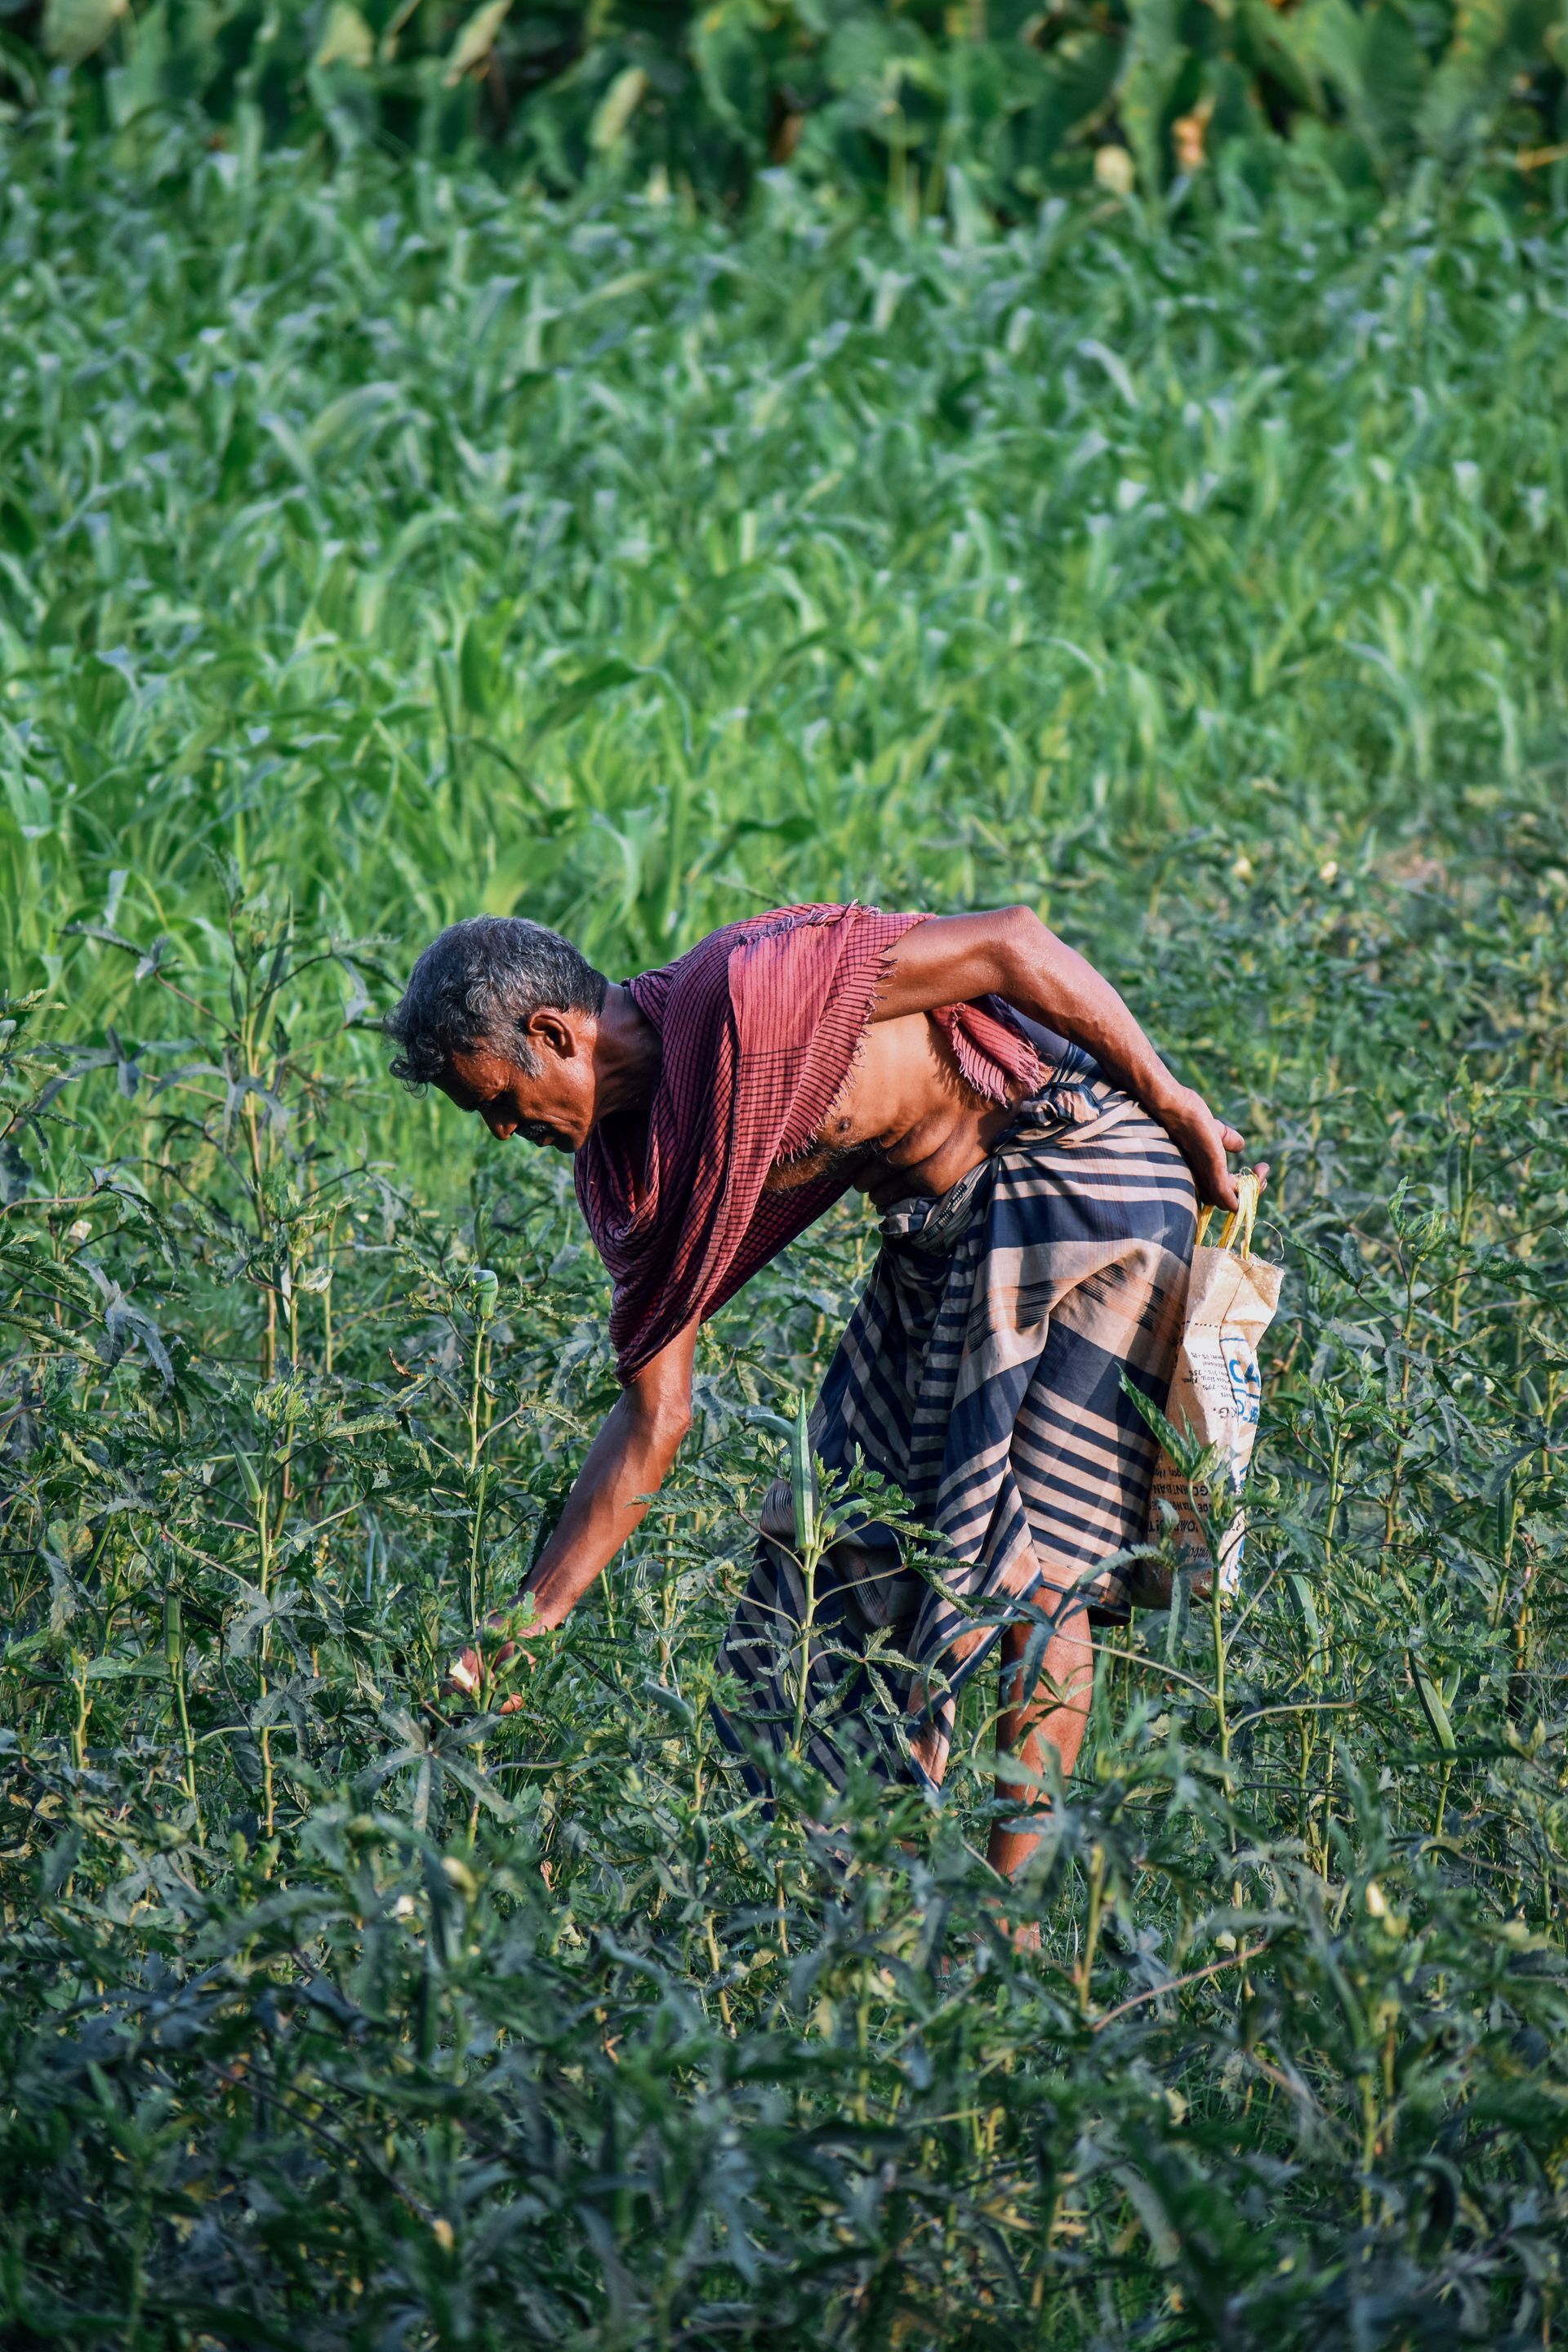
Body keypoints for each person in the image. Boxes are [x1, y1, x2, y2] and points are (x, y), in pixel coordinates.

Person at [385, 902, 1260, 1876]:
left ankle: (1007, 1942)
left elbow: (1011, 943)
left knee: (1036, 1575)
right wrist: (527, 1620)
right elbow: (654, 1415)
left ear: (554, 1035)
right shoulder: (630, 1173)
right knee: (829, 1537)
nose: (504, 1133)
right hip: (943, 1233)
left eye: (500, 1100)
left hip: (1074, 1174)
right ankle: (852, 1902)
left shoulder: (746, 995)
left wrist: (1176, 1103)